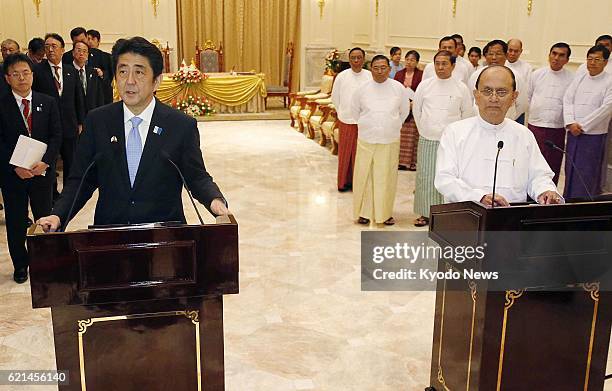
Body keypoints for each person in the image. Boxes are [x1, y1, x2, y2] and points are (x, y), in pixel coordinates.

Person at [37, 37, 228, 232]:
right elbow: (80, 180)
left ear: (157, 81)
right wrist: (58, 214)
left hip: (165, 236)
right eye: (123, 71)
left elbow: (196, 176)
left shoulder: (180, 125)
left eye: (139, 72)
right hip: (111, 235)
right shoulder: (97, 121)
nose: (129, 81)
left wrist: (216, 202)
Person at [435, 65, 561, 206]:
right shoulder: (455, 132)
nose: (493, 98)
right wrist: (479, 197)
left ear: (514, 97)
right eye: (487, 91)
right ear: (476, 96)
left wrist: (545, 190)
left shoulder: (523, 134)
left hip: (512, 219)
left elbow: (538, 175)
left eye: (501, 92)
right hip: (467, 217)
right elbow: (444, 179)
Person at [0, 53, 62, 283]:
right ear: (7, 79)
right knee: (16, 222)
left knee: (44, 219)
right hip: (12, 175)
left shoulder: (47, 102)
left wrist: (46, 161)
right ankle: (21, 265)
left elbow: (56, 136)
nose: (22, 78)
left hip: (41, 173)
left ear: (32, 75)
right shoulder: (2, 105)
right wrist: (15, 166)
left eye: (25, 73)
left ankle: (47, 263)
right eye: (15, 74)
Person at [412, 50, 473, 226]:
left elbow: (466, 114)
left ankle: (446, 215)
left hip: (452, 142)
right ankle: (425, 213)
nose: (440, 67)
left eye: (444, 63)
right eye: (437, 63)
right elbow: (417, 110)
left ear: (453, 66)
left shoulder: (461, 88)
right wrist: (424, 129)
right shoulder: (425, 85)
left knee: (449, 178)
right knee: (426, 176)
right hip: (428, 138)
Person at [351, 55, 411, 226]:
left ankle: (384, 214)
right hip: (367, 138)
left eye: (383, 67)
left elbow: (404, 112)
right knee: (365, 175)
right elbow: (355, 112)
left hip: (389, 139)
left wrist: (391, 125)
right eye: (376, 68)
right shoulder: (362, 89)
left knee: (386, 177)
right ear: (371, 70)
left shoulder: (398, 88)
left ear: (390, 69)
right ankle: (363, 212)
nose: (379, 71)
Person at [32, 33, 85, 199]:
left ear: (63, 49)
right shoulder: (37, 71)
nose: (50, 49)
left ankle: (69, 194)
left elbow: (79, 98)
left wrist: (81, 121)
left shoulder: (70, 71)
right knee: (50, 161)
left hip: (70, 124)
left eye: (54, 46)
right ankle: (53, 193)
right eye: (47, 46)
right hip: (47, 126)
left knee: (71, 160)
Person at [562, 45, 612, 199]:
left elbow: (606, 108)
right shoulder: (581, 77)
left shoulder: (609, 81)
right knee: (570, 169)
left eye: (597, 59)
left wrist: (582, 126)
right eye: (590, 59)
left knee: (587, 172)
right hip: (573, 133)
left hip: (593, 136)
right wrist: (571, 122)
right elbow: (568, 99)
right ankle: (568, 201)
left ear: (605, 62)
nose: (592, 63)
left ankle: (583, 204)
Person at [527, 42, 574, 184]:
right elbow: (528, 97)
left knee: (553, 164)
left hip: (557, 128)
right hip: (536, 125)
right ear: (549, 55)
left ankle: (550, 194)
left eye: (561, 55)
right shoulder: (537, 74)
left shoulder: (572, 78)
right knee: (533, 162)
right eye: (554, 54)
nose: (556, 58)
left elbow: (571, 102)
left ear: (567, 60)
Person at [331, 47, 372, 192]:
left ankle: (358, 184)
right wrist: (342, 112)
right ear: (349, 60)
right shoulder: (342, 76)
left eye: (359, 57)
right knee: (345, 152)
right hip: (346, 119)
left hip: (364, 121)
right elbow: (335, 98)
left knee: (360, 154)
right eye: (353, 58)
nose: (356, 61)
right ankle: (343, 182)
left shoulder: (369, 76)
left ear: (363, 59)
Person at [468, 40, 528, 122]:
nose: (494, 57)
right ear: (485, 56)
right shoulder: (476, 75)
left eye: (498, 54)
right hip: (480, 123)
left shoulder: (515, 76)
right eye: (490, 54)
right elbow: (470, 99)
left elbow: (522, 104)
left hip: (506, 123)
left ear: (506, 55)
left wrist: (509, 118)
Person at [394, 50, 423, 171]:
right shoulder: (399, 74)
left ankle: (410, 162)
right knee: (401, 136)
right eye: (407, 59)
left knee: (411, 137)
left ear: (417, 62)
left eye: (412, 60)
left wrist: (414, 102)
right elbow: (395, 91)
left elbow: (422, 91)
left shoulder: (421, 75)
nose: (409, 62)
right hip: (401, 107)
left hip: (414, 107)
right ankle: (400, 162)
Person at [72, 41, 105, 112]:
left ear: (87, 55)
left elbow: (99, 96)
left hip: (92, 114)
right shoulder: (67, 71)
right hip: (74, 115)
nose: (81, 54)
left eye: (84, 51)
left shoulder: (93, 72)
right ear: (73, 53)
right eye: (79, 50)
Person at [87, 29, 114, 104]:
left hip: (104, 91)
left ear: (98, 41)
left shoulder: (107, 56)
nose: (90, 42)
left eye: (93, 39)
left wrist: (102, 74)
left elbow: (111, 74)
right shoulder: (83, 56)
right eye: (88, 39)